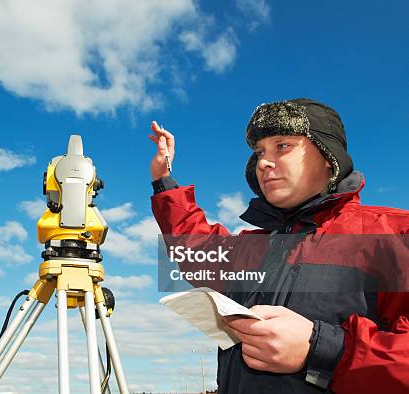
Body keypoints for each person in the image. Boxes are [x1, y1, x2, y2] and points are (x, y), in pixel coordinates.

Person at [149, 98, 409, 393]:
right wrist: (163, 180)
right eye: (259, 152)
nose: (263, 162)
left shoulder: (395, 234)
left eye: (282, 146)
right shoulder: (253, 246)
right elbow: (196, 247)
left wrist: (322, 350)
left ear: (328, 156)